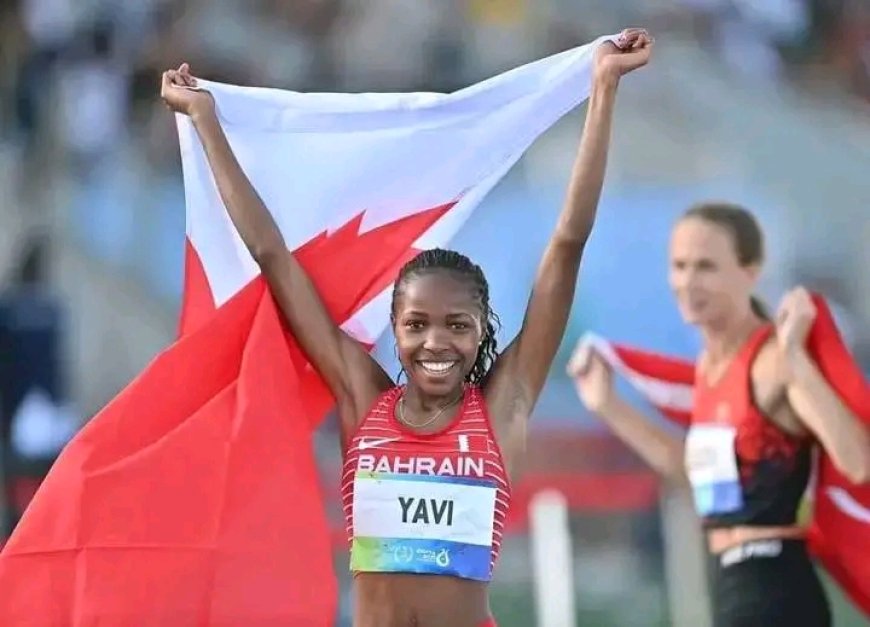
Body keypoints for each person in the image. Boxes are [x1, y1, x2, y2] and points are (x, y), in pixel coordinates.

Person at [160, 27, 652, 627]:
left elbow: (567, 243)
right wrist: (207, 123)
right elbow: (272, 255)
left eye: (456, 325)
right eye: (416, 324)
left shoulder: (503, 404)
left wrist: (602, 90)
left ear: (480, 333)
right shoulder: (361, 398)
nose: (435, 342)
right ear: (393, 328)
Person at [569, 203, 870, 627]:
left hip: (775, 588)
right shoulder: (709, 371)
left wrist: (797, 358)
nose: (689, 282)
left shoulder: (772, 362)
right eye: (680, 266)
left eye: (706, 266)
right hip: (730, 584)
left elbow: (857, 462)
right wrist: (608, 406)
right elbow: (697, 477)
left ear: (750, 270)